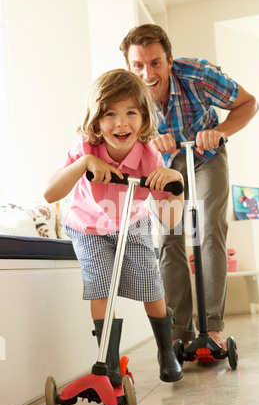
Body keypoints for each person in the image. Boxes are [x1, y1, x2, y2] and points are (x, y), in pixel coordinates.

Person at [120, 24, 259, 350]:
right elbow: (119, 137)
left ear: (170, 60)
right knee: (169, 238)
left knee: (210, 227)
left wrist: (221, 130)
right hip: (164, 165)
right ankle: (179, 332)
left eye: (155, 63)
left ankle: (212, 328)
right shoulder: (127, 92)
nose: (147, 73)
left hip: (206, 154)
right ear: (129, 67)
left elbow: (249, 103)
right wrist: (150, 141)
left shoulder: (197, 75)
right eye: (138, 65)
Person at [44, 69, 184, 384]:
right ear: (96, 120)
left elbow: (171, 220)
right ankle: (108, 364)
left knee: (151, 285)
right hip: (87, 227)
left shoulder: (150, 158)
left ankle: (166, 350)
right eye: (110, 114)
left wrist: (176, 182)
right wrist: (82, 165)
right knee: (101, 287)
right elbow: (50, 193)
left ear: (143, 118)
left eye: (130, 113)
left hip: (133, 225)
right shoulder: (85, 149)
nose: (121, 122)